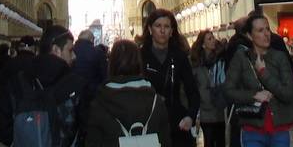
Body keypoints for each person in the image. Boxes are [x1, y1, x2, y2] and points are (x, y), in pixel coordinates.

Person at [0, 24, 83, 147]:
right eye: (70, 50)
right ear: (56, 50)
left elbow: (3, 131)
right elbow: (86, 131)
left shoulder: (16, 80)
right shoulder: (76, 84)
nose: (74, 56)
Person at [222, 12, 293, 147]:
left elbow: (288, 93)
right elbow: (228, 90)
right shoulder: (241, 58)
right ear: (250, 35)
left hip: (279, 129)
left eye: (267, 29)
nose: (266, 34)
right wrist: (254, 95)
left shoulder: (280, 57)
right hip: (253, 128)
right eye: (260, 30)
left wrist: (264, 73)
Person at [88, 39, 173, 147]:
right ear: (138, 61)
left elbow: (93, 141)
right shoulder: (156, 101)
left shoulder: (100, 102)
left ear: (112, 62)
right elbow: (165, 141)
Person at [140, 8, 201, 147]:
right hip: (148, 124)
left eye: (167, 26)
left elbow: (193, 91)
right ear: (150, 29)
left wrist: (190, 116)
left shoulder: (179, 57)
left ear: (172, 31)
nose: (162, 30)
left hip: (176, 124)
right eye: (158, 26)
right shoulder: (141, 56)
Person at [191, 29, 229, 147]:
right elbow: (194, 85)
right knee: (209, 140)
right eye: (209, 39)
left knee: (221, 140)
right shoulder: (196, 63)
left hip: (218, 107)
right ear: (203, 44)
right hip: (205, 109)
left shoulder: (220, 60)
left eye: (213, 38)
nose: (213, 41)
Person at [74, 28, 109, 125]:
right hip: (93, 96)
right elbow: (105, 76)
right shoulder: (97, 53)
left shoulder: (71, 51)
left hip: (74, 96)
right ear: (91, 39)